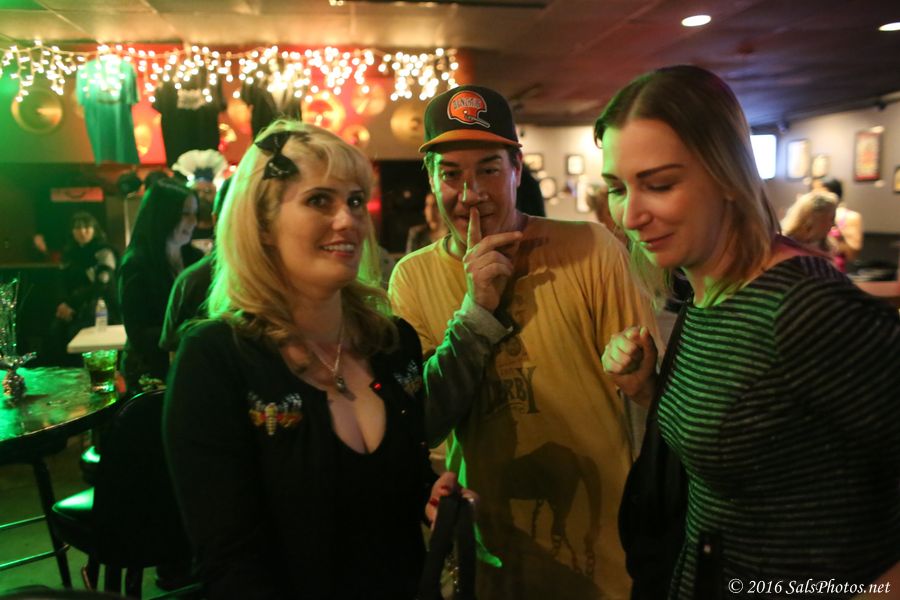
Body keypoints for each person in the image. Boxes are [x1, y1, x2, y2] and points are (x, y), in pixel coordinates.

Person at [596, 65, 899, 600]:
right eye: (617, 188)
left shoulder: (804, 307)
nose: (631, 214)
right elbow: (757, 437)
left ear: (727, 176)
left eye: (659, 184)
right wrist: (650, 390)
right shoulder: (706, 292)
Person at [164, 119, 466, 599]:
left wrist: (430, 498)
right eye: (319, 200)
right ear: (262, 224)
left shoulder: (392, 343)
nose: (347, 220)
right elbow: (231, 562)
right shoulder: (217, 359)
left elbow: (395, 489)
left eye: (354, 200)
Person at [389, 85, 657, 600]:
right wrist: (476, 309)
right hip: (488, 553)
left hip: (607, 550)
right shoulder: (412, 277)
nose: (471, 193)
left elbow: (652, 402)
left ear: (517, 170)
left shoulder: (591, 248)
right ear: (431, 180)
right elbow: (422, 423)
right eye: (451, 174)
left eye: (489, 169)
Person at [119, 178, 203, 394]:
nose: (194, 221)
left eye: (195, 213)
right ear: (163, 215)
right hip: (150, 372)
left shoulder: (195, 258)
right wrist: (190, 333)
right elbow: (138, 333)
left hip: (191, 367)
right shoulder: (137, 263)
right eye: (186, 214)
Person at [159, 177, 231, 354]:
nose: (192, 221)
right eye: (186, 213)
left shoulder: (193, 271)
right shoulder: (195, 278)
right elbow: (172, 351)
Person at [48, 211, 120, 365]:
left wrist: (72, 303)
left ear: (94, 229)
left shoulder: (103, 251)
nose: (82, 232)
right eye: (78, 228)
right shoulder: (69, 253)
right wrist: (62, 303)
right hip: (72, 306)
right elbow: (60, 281)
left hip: (99, 306)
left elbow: (102, 283)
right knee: (56, 330)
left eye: (86, 227)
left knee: (79, 332)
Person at [814, 176, 863, 272]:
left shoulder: (850, 217)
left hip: (834, 273)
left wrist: (841, 236)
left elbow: (852, 255)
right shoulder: (813, 216)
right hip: (811, 271)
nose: (814, 194)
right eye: (813, 190)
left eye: (819, 190)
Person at [780, 189, 838, 253]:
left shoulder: (828, 247)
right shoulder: (782, 245)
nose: (834, 224)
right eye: (831, 219)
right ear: (815, 219)